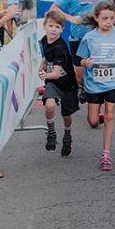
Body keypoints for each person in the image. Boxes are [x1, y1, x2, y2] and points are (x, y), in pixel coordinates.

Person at [76, 2, 115, 171]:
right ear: (96, 18)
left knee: (111, 116)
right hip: (93, 84)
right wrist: (85, 62)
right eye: (104, 18)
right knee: (93, 120)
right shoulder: (89, 37)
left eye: (111, 18)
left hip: (113, 82)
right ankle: (98, 116)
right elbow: (80, 60)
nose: (108, 22)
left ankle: (106, 154)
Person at [50, 0, 115, 80]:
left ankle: (101, 96)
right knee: (80, 77)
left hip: (101, 38)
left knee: (101, 76)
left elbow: (114, 11)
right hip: (79, 39)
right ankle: (85, 94)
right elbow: (53, 9)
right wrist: (71, 18)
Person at [37, 9, 79, 157]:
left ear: (62, 29)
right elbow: (46, 55)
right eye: (51, 26)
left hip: (67, 84)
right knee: (49, 105)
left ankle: (67, 136)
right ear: (45, 26)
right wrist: (42, 65)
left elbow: (55, 74)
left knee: (66, 115)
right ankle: (51, 132)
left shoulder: (60, 47)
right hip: (53, 83)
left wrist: (43, 74)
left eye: (57, 27)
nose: (53, 29)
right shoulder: (44, 40)